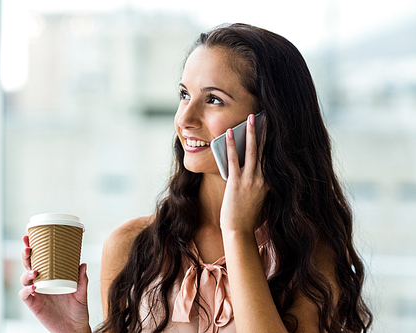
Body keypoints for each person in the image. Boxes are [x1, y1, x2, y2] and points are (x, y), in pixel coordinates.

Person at [19, 23, 373, 332]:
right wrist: (73, 331)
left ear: (269, 121)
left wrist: (237, 233)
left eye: (214, 100)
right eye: (184, 94)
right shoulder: (132, 246)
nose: (185, 118)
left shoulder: (310, 255)